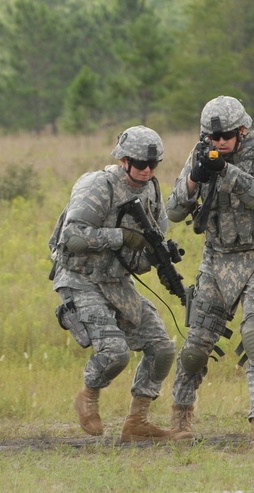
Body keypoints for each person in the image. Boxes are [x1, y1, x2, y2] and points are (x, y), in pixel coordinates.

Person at [166, 96, 254, 448]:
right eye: (212, 136)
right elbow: (174, 211)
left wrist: (226, 171)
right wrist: (194, 178)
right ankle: (180, 414)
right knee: (196, 346)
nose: (218, 143)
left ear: (241, 130)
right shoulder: (202, 155)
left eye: (225, 136)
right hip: (218, 259)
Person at [50, 126, 178, 442]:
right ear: (123, 159)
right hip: (81, 277)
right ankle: (88, 395)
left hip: (115, 281)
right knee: (115, 352)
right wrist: (121, 237)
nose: (146, 170)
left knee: (162, 348)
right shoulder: (98, 186)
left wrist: (155, 256)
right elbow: (73, 237)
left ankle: (137, 422)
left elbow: (141, 255)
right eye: (139, 163)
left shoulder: (152, 192)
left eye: (153, 164)